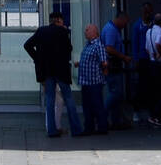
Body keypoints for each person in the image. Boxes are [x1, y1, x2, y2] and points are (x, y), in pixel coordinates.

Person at [24, 11, 82, 139]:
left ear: (50, 20)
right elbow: (69, 49)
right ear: (59, 21)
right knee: (68, 98)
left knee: (50, 101)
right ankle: (76, 129)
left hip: (47, 71)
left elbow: (27, 45)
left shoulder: (41, 31)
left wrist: (37, 58)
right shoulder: (62, 32)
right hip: (61, 71)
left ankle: (51, 130)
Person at [100, 12, 132, 129]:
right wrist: (123, 57)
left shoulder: (113, 28)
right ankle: (102, 115)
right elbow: (109, 48)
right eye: (125, 23)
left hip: (113, 65)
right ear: (120, 19)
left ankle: (116, 121)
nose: (125, 26)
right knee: (116, 93)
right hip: (112, 65)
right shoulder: (111, 30)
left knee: (117, 95)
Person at [75, 23, 108, 135]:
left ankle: (102, 127)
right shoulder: (88, 45)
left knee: (97, 105)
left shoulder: (98, 45)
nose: (85, 31)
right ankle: (89, 128)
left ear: (94, 33)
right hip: (86, 82)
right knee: (87, 106)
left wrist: (104, 72)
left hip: (94, 82)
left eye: (87, 30)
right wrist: (79, 63)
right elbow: (90, 61)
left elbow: (104, 62)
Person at [146, 13, 161, 127]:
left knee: (154, 91)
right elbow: (157, 43)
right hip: (160, 63)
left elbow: (146, 48)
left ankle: (152, 115)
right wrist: (159, 53)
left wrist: (152, 55)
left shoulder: (148, 32)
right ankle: (158, 116)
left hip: (151, 63)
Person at [131, 3, 154, 123]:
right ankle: (136, 110)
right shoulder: (137, 26)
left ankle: (152, 111)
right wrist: (135, 59)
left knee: (152, 87)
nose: (148, 14)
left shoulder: (154, 25)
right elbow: (135, 43)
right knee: (139, 87)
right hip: (142, 59)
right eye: (145, 12)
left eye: (149, 12)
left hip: (153, 59)